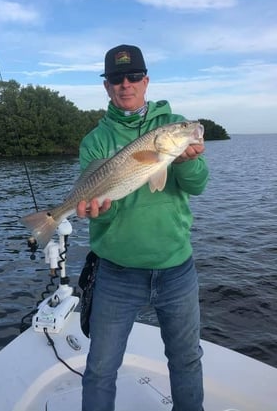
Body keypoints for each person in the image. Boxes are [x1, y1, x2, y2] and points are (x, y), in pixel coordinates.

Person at [77, 44, 209, 411]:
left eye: (134, 76)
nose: (126, 84)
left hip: (176, 269)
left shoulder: (171, 127)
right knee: (100, 368)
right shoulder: (95, 141)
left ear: (146, 81)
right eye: (117, 78)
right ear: (107, 87)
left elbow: (197, 185)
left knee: (186, 359)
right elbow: (101, 212)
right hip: (116, 274)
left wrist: (185, 162)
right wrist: (94, 211)